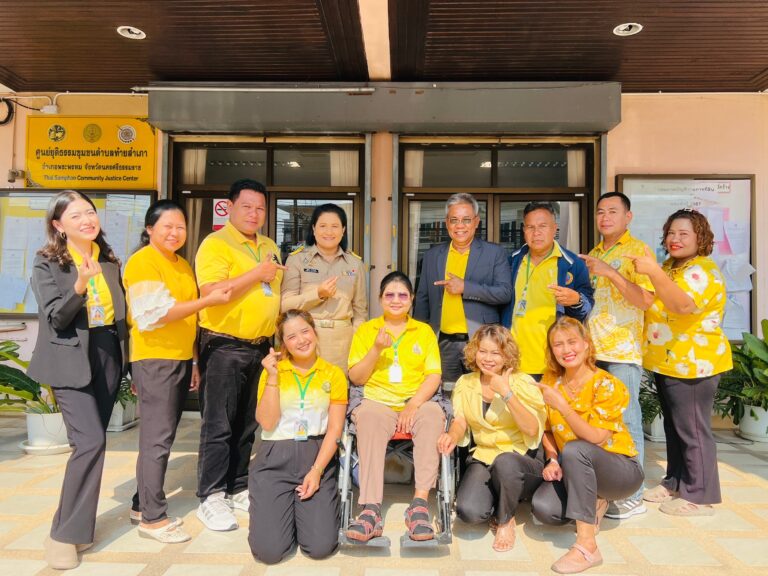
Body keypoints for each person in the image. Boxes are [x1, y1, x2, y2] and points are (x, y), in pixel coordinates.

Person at [28, 190, 128, 570]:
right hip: (69, 359)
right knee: (90, 442)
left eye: (90, 212)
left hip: (107, 355)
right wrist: (81, 284)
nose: (87, 220)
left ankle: (75, 527)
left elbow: (121, 317)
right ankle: (62, 535)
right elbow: (56, 317)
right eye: (75, 215)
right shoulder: (46, 262)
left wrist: (130, 364)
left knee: (91, 446)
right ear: (58, 225)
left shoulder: (110, 260)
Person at [123, 200, 232, 543]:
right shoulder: (143, 261)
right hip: (155, 358)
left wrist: (195, 361)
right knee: (156, 439)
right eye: (167, 226)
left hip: (180, 357)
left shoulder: (182, 264)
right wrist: (207, 301)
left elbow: (189, 319)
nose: (175, 233)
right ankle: (153, 519)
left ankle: (141, 504)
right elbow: (154, 313)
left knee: (162, 436)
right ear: (149, 229)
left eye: (180, 227)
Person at [194, 178, 287, 531]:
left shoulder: (269, 245)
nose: (254, 213)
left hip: (260, 346)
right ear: (230, 207)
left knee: (248, 424)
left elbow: (273, 295)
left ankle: (237, 486)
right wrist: (256, 273)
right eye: (247, 206)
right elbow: (212, 291)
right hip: (224, 344)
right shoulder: (216, 244)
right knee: (218, 424)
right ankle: (211, 495)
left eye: (260, 208)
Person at [631, 209, 731, 516]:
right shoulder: (670, 267)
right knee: (674, 427)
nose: (675, 239)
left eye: (683, 234)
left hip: (694, 363)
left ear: (701, 237)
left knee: (693, 430)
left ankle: (700, 495)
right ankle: (675, 481)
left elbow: (682, 305)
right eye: (671, 233)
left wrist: (653, 271)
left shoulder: (702, 270)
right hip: (669, 361)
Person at [531, 317, 643, 574]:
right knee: (545, 509)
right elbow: (546, 429)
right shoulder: (550, 380)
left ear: (586, 344)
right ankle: (595, 502)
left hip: (620, 471)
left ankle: (587, 546)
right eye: (558, 344)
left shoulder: (607, 384)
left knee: (575, 448)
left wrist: (563, 406)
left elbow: (596, 438)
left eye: (572, 342)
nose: (566, 350)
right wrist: (552, 458)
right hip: (574, 466)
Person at [346, 271, 445, 542]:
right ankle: (370, 509)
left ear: (411, 299)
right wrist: (376, 349)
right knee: (368, 417)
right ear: (380, 299)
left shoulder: (424, 331)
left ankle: (419, 505)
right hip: (377, 401)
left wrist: (413, 404)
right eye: (389, 294)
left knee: (433, 416)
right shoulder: (366, 330)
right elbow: (356, 377)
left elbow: (433, 375)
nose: (396, 300)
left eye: (402, 295)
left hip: (417, 400)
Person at [248, 309, 347, 564]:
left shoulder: (333, 374)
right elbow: (267, 422)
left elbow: (335, 430)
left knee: (320, 547)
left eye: (305, 331)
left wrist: (317, 471)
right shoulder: (273, 371)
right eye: (291, 337)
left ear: (315, 332)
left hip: (316, 455)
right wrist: (272, 377)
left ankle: (298, 514)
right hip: (274, 457)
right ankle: (282, 514)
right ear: (284, 344)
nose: (301, 340)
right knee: (269, 552)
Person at [437, 324, 546, 552]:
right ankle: (500, 497)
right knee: (469, 512)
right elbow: (460, 421)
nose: (488, 358)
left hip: (519, 459)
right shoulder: (466, 382)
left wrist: (506, 393)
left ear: (507, 355)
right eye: (483, 351)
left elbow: (531, 429)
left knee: (505, 462)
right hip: (484, 455)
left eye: (495, 353)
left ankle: (506, 519)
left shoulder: (522, 381)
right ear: (474, 351)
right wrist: (451, 436)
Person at [579, 192, 655, 520]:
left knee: (627, 421)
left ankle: (633, 495)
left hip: (622, 352)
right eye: (600, 212)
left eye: (613, 211)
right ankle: (609, 489)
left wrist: (611, 272)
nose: (605, 217)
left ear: (628, 216)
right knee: (598, 423)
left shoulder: (638, 251)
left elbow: (646, 300)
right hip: (592, 352)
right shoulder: (595, 252)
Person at [414, 192, 512, 391]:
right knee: (446, 394)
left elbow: (505, 293)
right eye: (454, 220)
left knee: (483, 393)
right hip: (442, 342)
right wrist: (418, 338)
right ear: (446, 223)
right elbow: (423, 299)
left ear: (476, 222)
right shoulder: (432, 255)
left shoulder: (494, 253)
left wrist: (465, 288)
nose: (460, 226)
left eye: (466, 220)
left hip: (481, 343)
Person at [502, 201, 593, 381]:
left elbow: (587, 306)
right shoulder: (511, 261)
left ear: (554, 229)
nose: (536, 233)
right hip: (513, 361)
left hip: (554, 361)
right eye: (530, 227)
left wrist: (576, 300)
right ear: (524, 230)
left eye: (543, 226)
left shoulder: (572, 264)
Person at [281, 203, 367, 371]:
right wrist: (317, 294)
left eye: (335, 226)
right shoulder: (297, 260)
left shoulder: (355, 263)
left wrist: (358, 342)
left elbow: (360, 310)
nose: (329, 232)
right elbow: (285, 306)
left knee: (339, 386)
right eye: (323, 226)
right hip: (305, 340)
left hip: (343, 343)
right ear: (314, 229)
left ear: (343, 230)